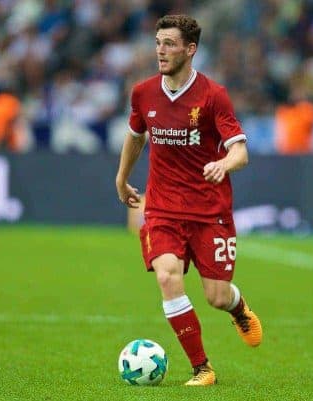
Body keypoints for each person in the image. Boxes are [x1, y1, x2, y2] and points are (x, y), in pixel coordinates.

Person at [115, 14, 262, 386]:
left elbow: (241, 152)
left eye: (169, 44)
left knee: (215, 296)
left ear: (190, 49)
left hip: (209, 211)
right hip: (162, 208)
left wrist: (223, 164)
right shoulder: (143, 92)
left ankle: (238, 307)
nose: (160, 51)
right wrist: (121, 177)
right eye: (158, 43)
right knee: (168, 276)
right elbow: (135, 136)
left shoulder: (214, 96)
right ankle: (203, 368)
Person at [274, 83, 313, 155]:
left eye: (299, 93)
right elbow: (280, 129)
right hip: (288, 149)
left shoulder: (308, 109)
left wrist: (302, 105)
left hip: (305, 149)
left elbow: (312, 123)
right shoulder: (284, 110)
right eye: (294, 93)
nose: (295, 96)